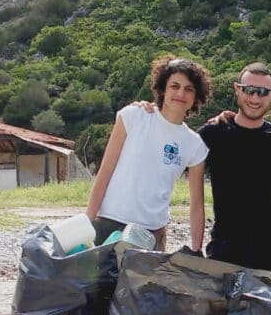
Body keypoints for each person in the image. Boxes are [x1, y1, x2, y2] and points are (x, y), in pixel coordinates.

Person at [197, 63, 271, 277]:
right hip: (225, 249)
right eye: (249, 90)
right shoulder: (213, 134)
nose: (255, 98)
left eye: (263, 92)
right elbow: (173, 156)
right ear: (237, 89)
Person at [85, 55, 210, 251]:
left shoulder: (195, 145)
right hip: (109, 222)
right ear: (162, 89)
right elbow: (104, 173)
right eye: (174, 86)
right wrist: (87, 223)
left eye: (189, 89)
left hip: (152, 233)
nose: (180, 94)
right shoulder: (133, 116)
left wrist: (196, 250)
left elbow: (196, 205)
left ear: (196, 96)